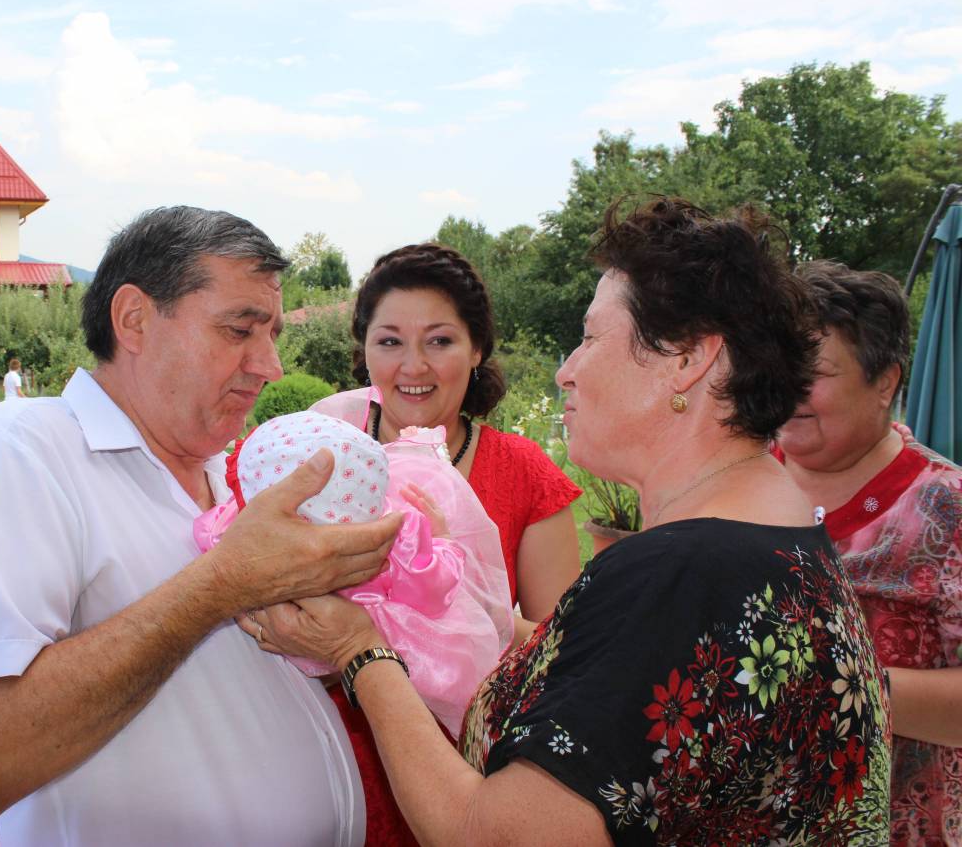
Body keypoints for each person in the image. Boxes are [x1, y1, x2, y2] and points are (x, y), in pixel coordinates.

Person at [248, 198, 893, 845]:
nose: (566, 371)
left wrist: (358, 651)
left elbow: (492, 837)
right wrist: (457, 594)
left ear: (687, 359)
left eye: (590, 337)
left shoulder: (678, 575)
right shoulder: (772, 538)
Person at [0, 206, 403, 846]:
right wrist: (221, 585)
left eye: (272, 335)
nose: (270, 365)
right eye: (239, 330)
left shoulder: (232, 473)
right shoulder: (18, 453)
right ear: (134, 319)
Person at [310, 241, 582, 844]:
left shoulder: (524, 474)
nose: (413, 366)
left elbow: (563, 657)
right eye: (389, 341)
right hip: (323, 771)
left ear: (476, 348)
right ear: (364, 350)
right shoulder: (321, 455)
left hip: (464, 784)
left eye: (439, 340)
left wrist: (461, 599)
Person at [776, 262, 962, 845]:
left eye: (816, 371)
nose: (788, 385)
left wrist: (831, 685)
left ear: (885, 381)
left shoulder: (947, 509)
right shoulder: (733, 482)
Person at [195, 409, 512, 735]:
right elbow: (435, 589)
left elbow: (207, 531)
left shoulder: (243, 532)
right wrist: (444, 542)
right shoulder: (395, 536)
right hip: (389, 652)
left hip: (288, 652)